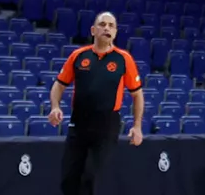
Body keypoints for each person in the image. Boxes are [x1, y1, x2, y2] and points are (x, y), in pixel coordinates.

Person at [49, 12, 144, 195]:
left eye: (111, 25)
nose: (106, 28)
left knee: (89, 177)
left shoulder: (124, 59)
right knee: (69, 178)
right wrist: (55, 107)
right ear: (93, 30)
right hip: (79, 123)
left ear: (115, 32)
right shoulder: (78, 55)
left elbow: (137, 95)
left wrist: (137, 126)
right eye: (102, 24)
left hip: (106, 126)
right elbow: (58, 85)